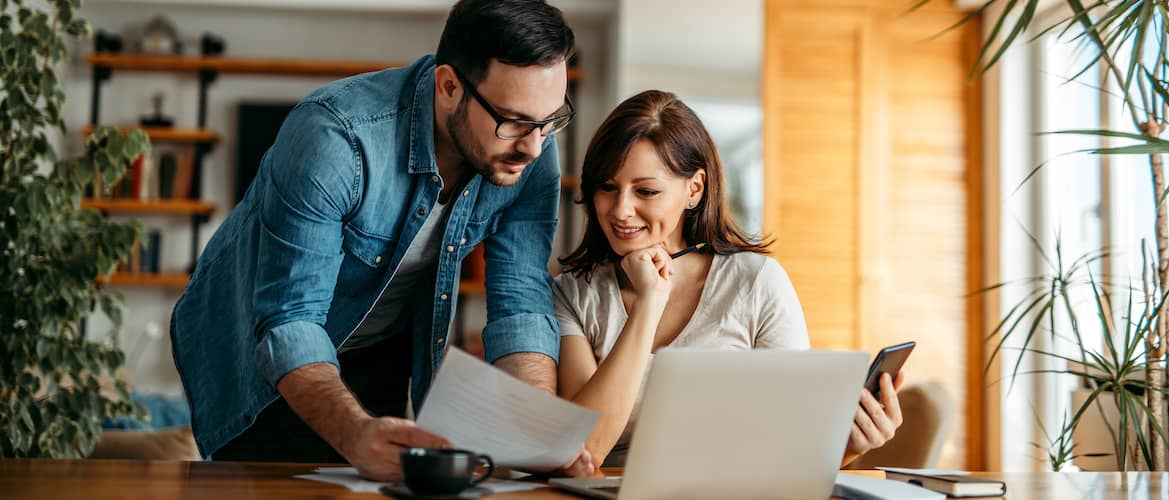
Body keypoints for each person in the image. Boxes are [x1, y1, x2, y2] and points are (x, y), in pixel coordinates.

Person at [170, 0, 592, 480]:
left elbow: (521, 303)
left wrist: (534, 430)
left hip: (381, 344)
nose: (534, 146)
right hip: (261, 349)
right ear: (450, 86)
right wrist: (351, 433)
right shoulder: (334, 138)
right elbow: (291, 320)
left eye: (549, 120)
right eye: (514, 121)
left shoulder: (531, 145)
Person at [554, 90, 905, 469]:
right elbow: (585, 451)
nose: (620, 210)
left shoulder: (756, 284)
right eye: (608, 187)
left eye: (646, 191)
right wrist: (649, 305)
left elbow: (793, 449)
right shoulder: (573, 293)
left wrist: (849, 447)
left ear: (695, 189)